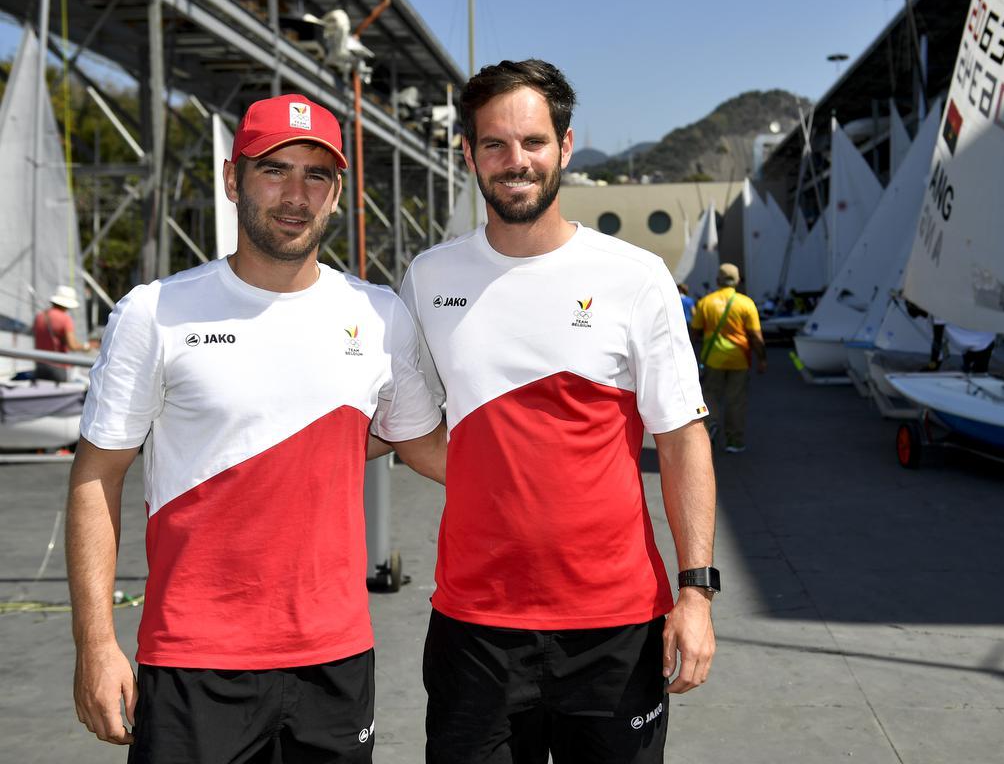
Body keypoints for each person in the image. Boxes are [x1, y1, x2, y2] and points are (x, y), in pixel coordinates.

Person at [67, 93, 447, 762]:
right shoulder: (155, 312)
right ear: (231, 178)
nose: (294, 194)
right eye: (274, 170)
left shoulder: (380, 313)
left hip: (336, 660)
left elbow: (414, 439)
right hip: (193, 662)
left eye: (316, 175)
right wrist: (96, 646)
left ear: (336, 194)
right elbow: (97, 476)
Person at [400, 59, 718, 764]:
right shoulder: (430, 278)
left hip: (615, 629)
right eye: (495, 144)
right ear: (470, 155)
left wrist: (696, 594)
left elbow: (682, 439)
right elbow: (407, 429)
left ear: (565, 147)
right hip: (474, 631)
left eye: (534, 142)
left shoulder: (634, 278)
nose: (516, 161)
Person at [690, 263, 767, 453]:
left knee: (710, 396)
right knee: (736, 400)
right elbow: (756, 337)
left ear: (718, 280)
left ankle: (711, 425)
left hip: (712, 358)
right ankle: (734, 441)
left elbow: (694, 333)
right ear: (738, 280)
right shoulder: (746, 303)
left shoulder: (706, 302)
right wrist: (762, 359)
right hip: (739, 359)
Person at [32, 285, 87, 381]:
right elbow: (72, 346)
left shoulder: (39, 316)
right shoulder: (65, 319)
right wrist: (86, 346)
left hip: (40, 366)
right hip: (58, 368)